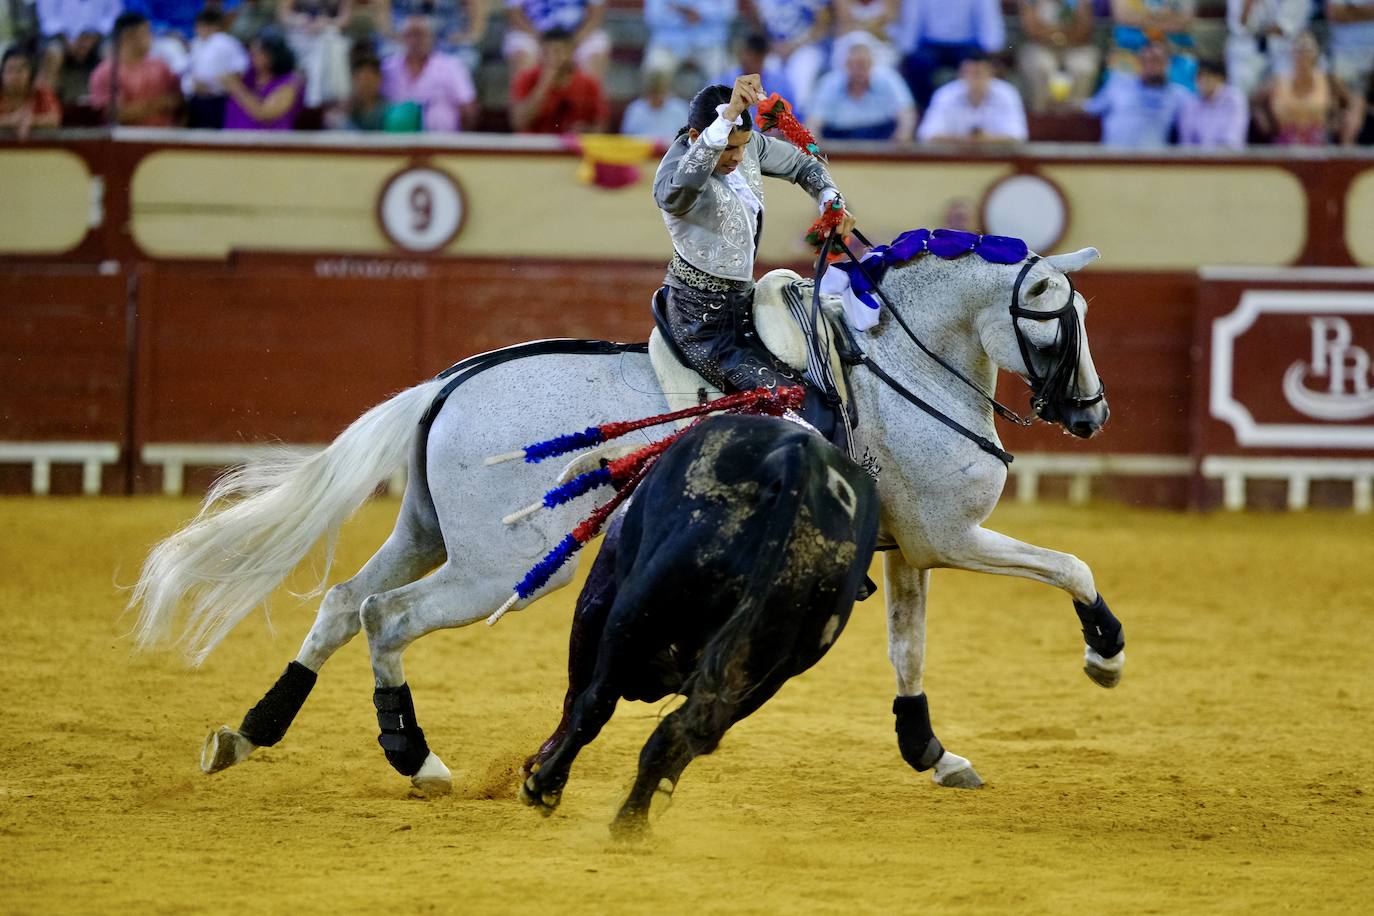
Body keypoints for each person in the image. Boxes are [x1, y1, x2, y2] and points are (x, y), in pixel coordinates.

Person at [654, 74, 856, 448]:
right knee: (796, 407)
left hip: (744, 304)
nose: (737, 157)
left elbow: (803, 164)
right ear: (699, 138)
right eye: (729, 148)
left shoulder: (743, 147)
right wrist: (727, 117)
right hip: (703, 321)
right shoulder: (675, 171)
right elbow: (680, 191)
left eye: (744, 146)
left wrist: (831, 200)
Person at [896, 0, 1005, 108]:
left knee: (976, 67)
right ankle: (925, 110)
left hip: (967, 44)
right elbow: (912, 21)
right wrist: (907, 50)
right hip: (930, 44)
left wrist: (990, 53)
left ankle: (970, 108)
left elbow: (989, 23)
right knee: (917, 65)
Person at [808, 31, 915, 140]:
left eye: (864, 64)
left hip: (881, 141)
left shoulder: (889, 78)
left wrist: (903, 137)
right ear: (845, 63)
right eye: (855, 64)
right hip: (839, 141)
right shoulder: (829, 83)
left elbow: (906, 114)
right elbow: (814, 121)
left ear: (872, 62)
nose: (859, 69)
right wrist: (813, 147)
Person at [1084, 40, 1190, 147]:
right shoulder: (1118, 84)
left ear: (1167, 63)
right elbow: (1089, 109)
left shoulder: (1178, 94)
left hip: (1150, 160)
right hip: (1112, 158)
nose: (1151, 66)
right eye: (1146, 61)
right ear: (1139, 63)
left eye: (1156, 60)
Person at [381, 13, 477, 130]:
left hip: (443, 142)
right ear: (403, 38)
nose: (416, 40)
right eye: (411, 35)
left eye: (421, 35)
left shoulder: (452, 67)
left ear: (432, 38)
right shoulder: (388, 68)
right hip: (398, 142)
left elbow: (467, 108)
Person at [88, 11, 181, 125]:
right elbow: (117, 114)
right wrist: (159, 104)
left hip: (167, 138)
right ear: (127, 36)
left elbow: (178, 102)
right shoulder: (107, 72)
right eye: (146, 32)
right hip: (126, 140)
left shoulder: (161, 67)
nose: (151, 37)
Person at [509, 26, 607, 132]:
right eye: (547, 52)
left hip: (573, 146)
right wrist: (544, 83)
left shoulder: (589, 84)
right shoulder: (526, 78)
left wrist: (585, 130)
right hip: (535, 146)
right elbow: (519, 123)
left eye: (558, 51)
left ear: (571, 52)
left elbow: (601, 127)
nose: (553, 57)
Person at [916, 51, 1027, 143]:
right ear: (960, 74)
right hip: (954, 160)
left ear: (991, 73)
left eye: (978, 73)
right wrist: (968, 140)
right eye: (968, 73)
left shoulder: (1007, 93)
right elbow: (927, 135)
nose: (974, 79)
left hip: (996, 159)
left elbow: (1018, 136)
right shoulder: (945, 94)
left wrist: (982, 140)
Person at [744, 0, 831, 111]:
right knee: (767, 69)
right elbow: (758, 26)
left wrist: (795, 44)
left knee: (801, 74)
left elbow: (822, 25)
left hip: (804, 47)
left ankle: (797, 118)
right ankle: (767, 119)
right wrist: (771, 45)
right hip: (773, 48)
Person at [1016, 0, 1100, 113]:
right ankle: (1042, 113)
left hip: (1075, 45)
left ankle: (1075, 115)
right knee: (1041, 66)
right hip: (1040, 45)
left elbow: (1084, 27)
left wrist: (1060, 37)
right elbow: (1032, 28)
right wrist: (1057, 36)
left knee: (1083, 68)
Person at [503, 0, 609, 79]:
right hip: (532, 34)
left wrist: (573, 41)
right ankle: (524, 103)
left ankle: (587, 105)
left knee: (595, 46)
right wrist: (541, 39)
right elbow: (514, 14)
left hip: (577, 36)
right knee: (521, 48)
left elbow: (596, 14)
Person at [1224, 0, 1310, 97]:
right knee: (1241, 85)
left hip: (1283, 48)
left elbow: (1285, 27)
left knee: (1285, 88)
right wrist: (1247, 6)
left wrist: (1257, 30)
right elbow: (1238, 27)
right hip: (1247, 48)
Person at [222, 28, 303, 129]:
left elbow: (265, 114)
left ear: (273, 55)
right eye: (251, 52)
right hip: (234, 140)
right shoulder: (247, 74)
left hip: (270, 142)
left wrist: (236, 88)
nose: (251, 56)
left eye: (257, 53)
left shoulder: (289, 82)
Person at [182, 7, 248, 128]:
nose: (198, 30)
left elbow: (240, 69)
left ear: (213, 26)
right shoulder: (196, 44)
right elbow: (188, 69)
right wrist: (193, 85)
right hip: (197, 98)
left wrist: (217, 86)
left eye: (202, 26)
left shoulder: (227, 42)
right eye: (197, 27)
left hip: (219, 99)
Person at [1109, 0, 1197, 90]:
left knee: (1183, 90)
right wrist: (1166, 17)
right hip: (1129, 54)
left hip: (1175, 55)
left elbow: (1184, 21)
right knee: (1122, 93)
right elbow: (1123, 16)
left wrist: (1142, 19)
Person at [278, 0, 351, 107]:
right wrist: (298, 20)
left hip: (327, 34)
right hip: (299, 33)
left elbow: (344, 20)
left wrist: (326, 22)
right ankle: (325, 97)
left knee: (329, 41)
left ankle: (317, 98)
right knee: (328, 44)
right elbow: (283, 16)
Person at [642, 0, 736, 83]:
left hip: (709, 45)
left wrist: (701, 13)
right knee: (655, 72)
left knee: (724, 76)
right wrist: (686, 15)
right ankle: (672, 104)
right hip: (669, 44)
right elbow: (653, 16)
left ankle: (713, 103)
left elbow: (728, 12)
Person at [1265, 30, 1332, 146]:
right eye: (1300, 49)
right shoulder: (1281, 80)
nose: (1303, 54)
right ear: (1292, 52)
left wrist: (1293, 110)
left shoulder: (1323, 79)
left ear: (1316, 52)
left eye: (1308, 49)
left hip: (1317, 140)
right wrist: (1309, 112)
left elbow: (1321, 110)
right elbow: (1280, 115)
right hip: (1287, 140)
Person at [718, 32, 800, 119]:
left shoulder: (780, 83)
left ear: (762, 57)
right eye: (746, 54)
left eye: (755, 58)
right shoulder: (725, 80)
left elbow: (793, 117)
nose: (749, 60)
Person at [1177, 59, 1248, 147]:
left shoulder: (1234, 99)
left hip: (1228, 158)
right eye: (1199, 76)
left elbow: (1232, 140)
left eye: (1207, 75)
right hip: (1196, 158)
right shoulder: (1190, 103)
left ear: (1220, 77)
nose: (1203, 80)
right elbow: (1185, 142)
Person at [1, 47, 62, 137]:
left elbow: (54, 119)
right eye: (10, 69)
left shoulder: (41, 92)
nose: (15, 75)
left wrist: (31, 120)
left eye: (20, 70)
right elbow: (14, 121)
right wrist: (11, 120)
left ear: (31, 73)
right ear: (2, 73)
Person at [620, 67, 689, 141]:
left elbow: (687, 139)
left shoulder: (680, 109)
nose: (657, 97)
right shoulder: (635, 110)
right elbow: (626, 140)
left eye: (660, 92)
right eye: (654, 92)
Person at [1328, 0, 1374, 99]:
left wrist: (1350, 10)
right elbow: (1335, 13)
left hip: (1372, 51)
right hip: (1344, 53)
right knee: (1341, 96)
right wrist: (1368, 13)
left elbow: (1342, 14)